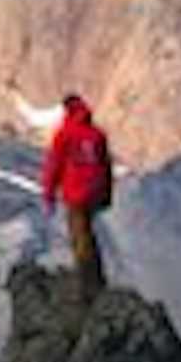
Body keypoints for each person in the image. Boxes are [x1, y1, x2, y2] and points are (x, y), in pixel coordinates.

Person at [38, 93, 115, 295]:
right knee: (88, 233)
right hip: (96, 191)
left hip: (76, 193)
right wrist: (107, 194)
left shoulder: (65, 134)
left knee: (79, 236)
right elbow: (106, 166)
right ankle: (96, 277)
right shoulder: (97, 134)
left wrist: (49, 193)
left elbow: (54, 165)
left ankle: (88, 282)